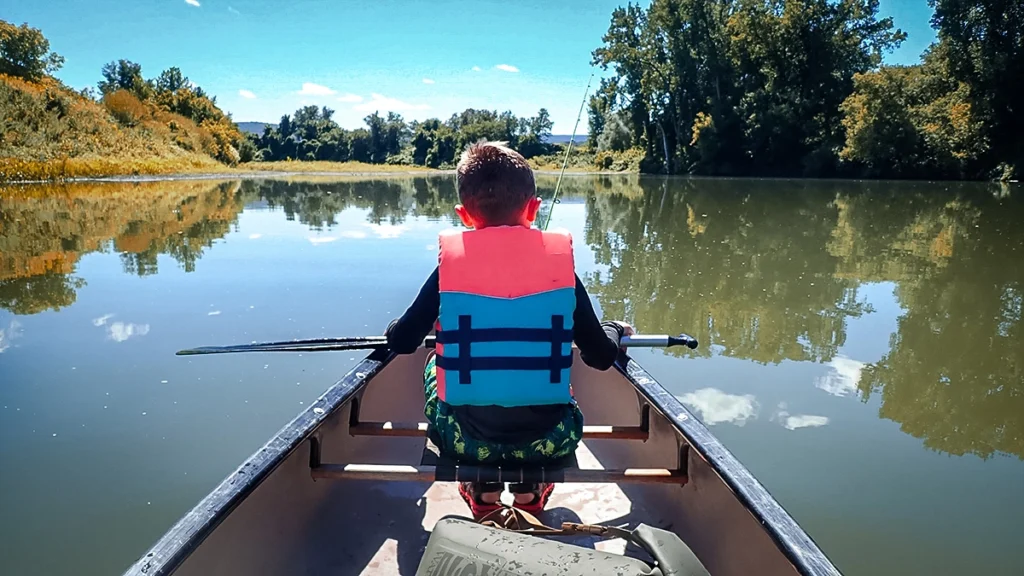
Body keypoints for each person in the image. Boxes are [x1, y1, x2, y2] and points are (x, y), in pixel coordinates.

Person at [384, 140, 633, 518]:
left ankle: (482, 492)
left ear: (463, 215)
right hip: (548, 439)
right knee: (560, 377)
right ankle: (529, 491)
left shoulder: (448, 271)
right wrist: (612, 328)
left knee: (433, 361)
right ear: (534, 209)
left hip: (463, 440)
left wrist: (394, 328)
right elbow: (600, 356)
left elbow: (403, 342)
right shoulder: (561, 270)